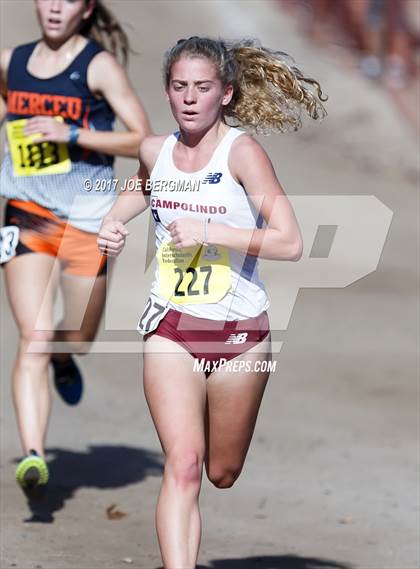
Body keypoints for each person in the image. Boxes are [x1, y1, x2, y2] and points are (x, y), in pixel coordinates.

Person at [98, 36, 326, 569]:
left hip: (242, 335)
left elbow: (290, 242)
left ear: (226, 93)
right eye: (179, 87)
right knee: (183, 463)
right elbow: (143, 187)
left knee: (221, 471)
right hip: (171, 327)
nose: (190, 98)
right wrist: (112, 223)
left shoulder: (242, 154)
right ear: (168, 92)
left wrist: (212, 230)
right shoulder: (154, 150)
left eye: (203, 88)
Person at [0, 0, 150, 495]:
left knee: (75, 338)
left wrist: (72, 132)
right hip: (29, 213)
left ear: (86, 9)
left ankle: (65, 359)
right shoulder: (11, 62)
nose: (55, 7)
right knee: (34, 335)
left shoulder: (98, 67)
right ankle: (34, 456)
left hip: (89, 217)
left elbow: (143, 141)